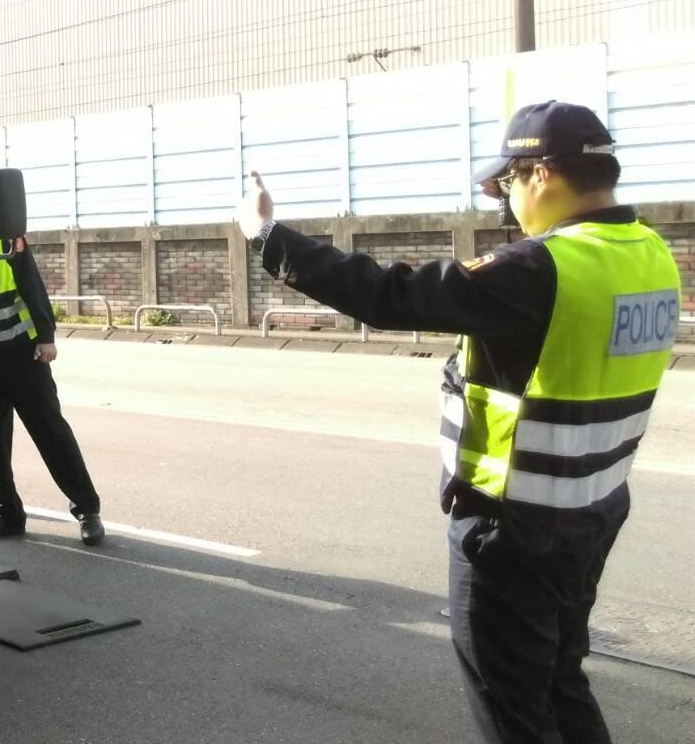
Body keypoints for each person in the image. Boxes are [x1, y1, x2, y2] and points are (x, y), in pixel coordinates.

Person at [238, 101, 680, 744]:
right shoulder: (650, 256)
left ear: (541, 175)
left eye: (506, 183)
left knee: (512, 711)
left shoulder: (542, 268)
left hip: (513, 528)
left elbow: (392, 293)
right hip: (594, 511)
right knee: (560, 679)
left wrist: (267, 236)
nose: (505, 202)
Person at [0, 186, 105, 546]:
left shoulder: (1, 235)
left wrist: (46, 336)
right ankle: (8, 515)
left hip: (22, 356)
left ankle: (87, 511)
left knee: (51, 434)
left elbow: (31, 283)